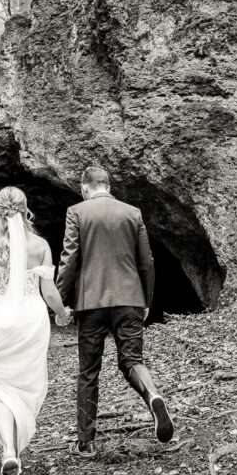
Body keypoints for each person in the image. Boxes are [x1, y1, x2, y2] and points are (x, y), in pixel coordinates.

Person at [56, 166, 174, 458]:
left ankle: (86, 442)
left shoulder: (77, 212)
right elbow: (146, 260)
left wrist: (59, 300)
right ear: (108, 185)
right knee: (132, 359)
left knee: (88, 371)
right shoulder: (132, 213)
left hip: (91, 302)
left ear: (85, 187)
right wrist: (146, 299)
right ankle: (152, 395)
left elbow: (70, 258)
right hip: (129, 298)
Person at [0, 187, 72, 475]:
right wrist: (62, 314)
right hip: (31, 321)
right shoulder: (40, 245)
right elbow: (49, 291)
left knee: (0, 386)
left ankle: (10, 451)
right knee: (22, 386)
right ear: (27, 210)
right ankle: (13, 450)